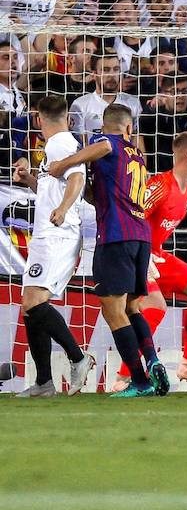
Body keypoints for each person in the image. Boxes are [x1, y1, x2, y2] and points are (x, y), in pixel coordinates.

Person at [48, 103, 168, 398]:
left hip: (116, 238)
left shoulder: (108, 142)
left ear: (109, 127)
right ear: (130, 128)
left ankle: (140, 382)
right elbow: (100, 198)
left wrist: (62, 165)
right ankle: (152, 359)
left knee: (113, 312)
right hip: (140, 238)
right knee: (131, 308)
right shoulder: (137, 157)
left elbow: (101, 147)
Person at [111, 132, 187, 391]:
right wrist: (139, 254)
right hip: (135, 254)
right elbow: (130, 214)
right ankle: (123, 378)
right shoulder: (160, 186)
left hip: (156, 255)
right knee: (156, 307)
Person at [12, 96, 94, 398]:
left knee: (34, 303)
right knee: (31, 307)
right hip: (51, 232)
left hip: (57, 234)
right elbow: (53, 186)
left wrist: (62, 208)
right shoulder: (58, 146)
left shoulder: (59, 143)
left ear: (37, 119)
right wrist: (30, 179)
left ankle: (78, 358)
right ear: (68, 118)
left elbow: (76, 179)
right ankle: (44, 383)